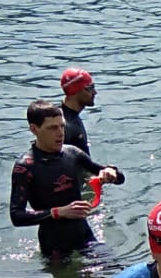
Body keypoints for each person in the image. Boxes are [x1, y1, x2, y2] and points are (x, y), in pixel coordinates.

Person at [9, 101, 124, 261]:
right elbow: (16, 216)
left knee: (114, 270)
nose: (60, 133)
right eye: (52, 128)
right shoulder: (25, 166)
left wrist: (110, 172)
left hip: (84, 236)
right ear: (34, 129)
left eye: (62, 126)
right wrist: (58, 212)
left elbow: (120, 179)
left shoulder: (72, 153)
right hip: (54, 246)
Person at [59, 68, 97, 155]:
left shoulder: (71, 118)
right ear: (75, 91)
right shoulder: (65, 126)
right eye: (90, 88)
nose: (94, 92)